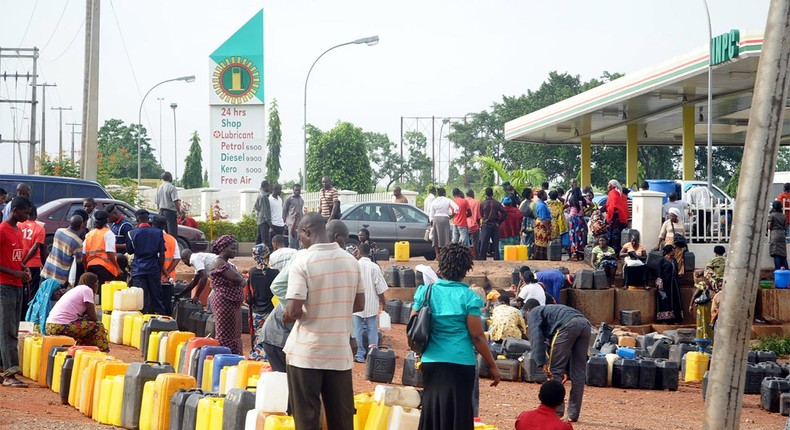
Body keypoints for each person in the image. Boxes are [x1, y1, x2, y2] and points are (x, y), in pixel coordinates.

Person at [283, 213, 364, 430]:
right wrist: (334, 305)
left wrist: (288, 313)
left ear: (307, 232)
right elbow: (359, 305)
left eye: (298, 233)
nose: (299, 239)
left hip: (306, 355)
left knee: (307, 419)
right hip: (338, 354)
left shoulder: (302, 261)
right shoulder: (351, 262)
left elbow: (293, 310)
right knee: (341, 421)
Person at [411, 243, 500, 429]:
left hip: (431, 362)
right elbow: (476, 336)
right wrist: (492, 365)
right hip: (461, 364)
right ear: (466, 269)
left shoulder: (426, 292)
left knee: (432, 410)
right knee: (458, 414)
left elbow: (413, 324)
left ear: (441, 267)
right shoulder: (468, 297)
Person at [524, 299, 591, 423]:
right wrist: (565, 369)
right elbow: (558, 346)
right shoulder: (551, 311)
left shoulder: (533, 313)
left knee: (554, 371)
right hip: (585, 324)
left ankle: (555, 413)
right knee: (579, 372)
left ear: (528, 310)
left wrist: (541, 362)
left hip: (568, 325)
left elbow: (536, 338)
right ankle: (573, 414)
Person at [0, 196, 32, 387]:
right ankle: (10, 373)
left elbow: (14, 257)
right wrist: (15, 272)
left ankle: (4, 368)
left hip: (16, 284)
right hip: (5, 285)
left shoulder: (17, 231)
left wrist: (23, 268)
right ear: (16, 210)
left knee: (8, 328)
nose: (27, 216)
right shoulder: (3, 230)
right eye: (25, 213)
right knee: (8, 330)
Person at [45, 272, 109, 353]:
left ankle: (83, 351)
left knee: (85, 326)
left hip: (50, 325)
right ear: (94, 283)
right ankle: (104, 352)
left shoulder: (77, 289)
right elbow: (93, 317)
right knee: (98, 326)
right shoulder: (87, 290)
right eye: (97, 283)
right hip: (60, 326)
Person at [208, 235, 245, 355]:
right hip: (223, 301)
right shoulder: (218, 262)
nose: (235, 251)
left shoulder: (227, 264)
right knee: (225, 333)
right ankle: (224, 357)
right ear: (223, 248)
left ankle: (233, 356)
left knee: (234, 332)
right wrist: (244, 281)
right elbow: (238, 278)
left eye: (236, 248)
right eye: (232, 248)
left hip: (231, 302)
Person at [353, 243, 388, 363]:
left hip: (356, 304)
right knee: (372, 330)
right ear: (369, 252)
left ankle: (359, 354)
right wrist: (383, 303)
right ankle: (372, 354)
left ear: (359, 251)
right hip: (371, 304)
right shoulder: (374, 267)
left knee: (356, 330)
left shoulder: (354, 265)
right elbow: (380, 288)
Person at [127, 209, 167, 314]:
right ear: (148, 219)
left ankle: (142, 322)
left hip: (138, 269)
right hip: (153, 268)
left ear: (137, 219)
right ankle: (160, 320)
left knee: (141, 298)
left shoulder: (131, 233)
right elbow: (162, 254)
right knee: (156, 296)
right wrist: (160, 269)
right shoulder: (158, 232)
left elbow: (130, 251)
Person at [247, 244, 279, 360]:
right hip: (271, 311)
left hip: (257, 312)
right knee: (270, 336)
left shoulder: (252, 273)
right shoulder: (275, 273)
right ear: (268, 256)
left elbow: (250, 296)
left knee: (258, 336)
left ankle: (257, 356)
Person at [41, 215, 84, 286]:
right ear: (81, 225)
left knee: (42, 295)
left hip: (47, 270)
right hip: (60, 276)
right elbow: (79, 260)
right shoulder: (77, 241)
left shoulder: (59, 231)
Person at [83, 210, 119, 292]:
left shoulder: (89, 234)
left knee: (95, 290)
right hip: (105, 267)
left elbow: (83, 254)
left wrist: (85, 268)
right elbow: (110, 252)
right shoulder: (108, 233)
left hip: (90, 266)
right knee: (106, 290)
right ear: (106, 221)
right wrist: (118, 268)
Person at [20, 207, 45, 315]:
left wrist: (21, 263)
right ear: (35, 214)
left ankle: (20, 313)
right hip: (32, 264)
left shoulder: (18, 225)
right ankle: (29, 315)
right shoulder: (40, 228)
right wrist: (25, 263)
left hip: (18, 262)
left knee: (20, 289)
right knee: (32, 291)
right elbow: (35, 248)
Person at [656, 245, 684, 324]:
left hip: (674, 284)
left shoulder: (674, 260)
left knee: (675, 300)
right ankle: (665, 319)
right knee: (665, 300)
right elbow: (659, 273)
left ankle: (675, 319)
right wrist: (660, 284)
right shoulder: (662, 261)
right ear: (669, 251)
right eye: (672, 251)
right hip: (666, 284)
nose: (674, 252)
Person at [478, 187, 507, 261]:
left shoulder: (483, 203)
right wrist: (499, 222)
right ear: (492, 194)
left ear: (486, 194)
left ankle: (482, 260)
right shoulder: (496, 203)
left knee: (484, 244)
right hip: (495, 225)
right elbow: (504, 212)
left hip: (486, 225)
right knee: (495, 245)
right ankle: (496, 260)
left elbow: (481, 214)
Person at [429, 188, 458, 256]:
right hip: (445, 219)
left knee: (436, 237)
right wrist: (452, 215)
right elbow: (456, 207)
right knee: (446, 237)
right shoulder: (447, 200)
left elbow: (431, 212)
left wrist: (431, 220)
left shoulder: (434, 201)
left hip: (436, 219)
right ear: (444, 193)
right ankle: (444, 254)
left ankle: (437, 254)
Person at [658, 207, 687, 275]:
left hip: (679, 243)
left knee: (679, 257)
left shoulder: (681, 222)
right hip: (669, 241)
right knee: (669, 256)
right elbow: (661, 234)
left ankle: (678, 273)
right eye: (670, 215)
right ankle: (669, 271)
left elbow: (684, 234)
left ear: (676, 216)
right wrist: (658, 245)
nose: (670, 217)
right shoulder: (666, 223)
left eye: (672, 215)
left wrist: (685, 244)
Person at [605, 180, 629, 254]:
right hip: (621, 219)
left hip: (614, 219)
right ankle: (618, 253)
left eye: (609, 184)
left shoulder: (612, 193)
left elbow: (613, 205)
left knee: (613, 237)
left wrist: (608, 211)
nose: (608, 186)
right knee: (619, 237)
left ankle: (613, 253)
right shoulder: (621, 194)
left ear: (612, 186)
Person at [155, 172, 181, 238]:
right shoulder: (171, 187)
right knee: (172, 234)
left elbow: (157, 202)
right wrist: (179, 212)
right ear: (169, 177)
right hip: (170, 213)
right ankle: (171, 247)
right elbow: (175, 201)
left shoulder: (159, 188)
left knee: (163, 234)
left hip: (161, 212)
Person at [566, 186, 588, 261]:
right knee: (580, 235)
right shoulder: (583, 199)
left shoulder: (571, 200)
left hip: (572, 219)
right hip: (580, 219)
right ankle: (580, 251)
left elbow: (564, 206)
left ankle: (574, 252)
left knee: (572, 235)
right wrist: (584, 211)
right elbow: (592, 205)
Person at [283, 183, 304, 249]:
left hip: (299, 223)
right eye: (296, 190)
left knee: (298, 242)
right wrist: (285, 223)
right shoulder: (289, 199)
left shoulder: (301, 200)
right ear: (293, 190)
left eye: (298, 190)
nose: (297, 191)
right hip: (291, 223)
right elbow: (284, 210)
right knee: (292, 242)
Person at [533, 190, 552, 260]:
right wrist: (548, 229)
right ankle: (541, 257)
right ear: (541, 196)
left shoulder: (543, 204)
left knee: (543, 241)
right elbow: (543, 218)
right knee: (542, 241)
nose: (546, 196)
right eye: (545, 194)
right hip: (543, 225)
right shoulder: (541, 206)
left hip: (543, 224)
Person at [769, 200, 788, 270]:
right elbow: (785, 227)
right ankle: (786, 272)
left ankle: (778, 270)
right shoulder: (784, 216)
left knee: (776, 253)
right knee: (783, 255)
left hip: (775, 234)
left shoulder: (772, 215)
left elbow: (769, 226)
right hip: (782, 235)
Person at [253, 180, 272, 246]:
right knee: (265, 240)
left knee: (258, 239)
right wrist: (269, 222)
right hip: (264, 221)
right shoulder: (263, 196)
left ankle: (255, 253)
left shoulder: (260, 195)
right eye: (268, 186)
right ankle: (266, 255)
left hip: (259, 220)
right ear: (265, 186)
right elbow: (265, 211)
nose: (269, 188)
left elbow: (256, 207)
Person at [520, 188, 536, 252]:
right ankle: (528, 254)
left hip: (523, 225)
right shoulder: (533, 204)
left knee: (524, 240)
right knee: (530, 241)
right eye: (532, 193)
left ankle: (523, 253)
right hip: (530, 225)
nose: (533, 194)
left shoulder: (522, 203)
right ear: (529, 195)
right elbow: (536, 215)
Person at [466, 189, 481, 255]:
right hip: (474, 225)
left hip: (464, 225)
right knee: (475, 244)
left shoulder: (464, 201)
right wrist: (478, 225)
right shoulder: (476, 202)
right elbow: (478, 216)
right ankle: (476, 257)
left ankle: (466, 257)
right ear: (472, 194)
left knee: (465, 243)